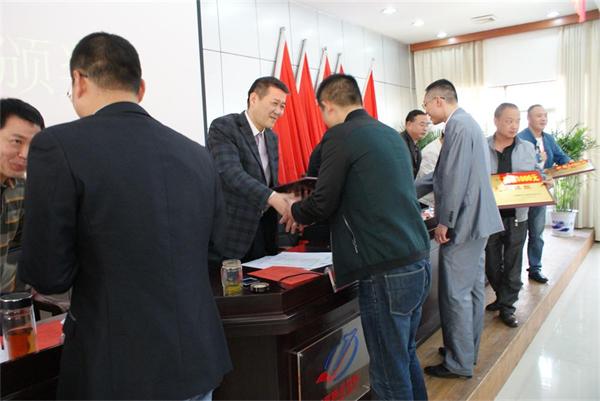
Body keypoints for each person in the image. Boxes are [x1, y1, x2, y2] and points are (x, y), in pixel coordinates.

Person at [18, 32, 231, 400]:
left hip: (116, 369)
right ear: (141, 88)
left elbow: (48, 274)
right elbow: (218, 248)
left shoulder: (58, 145)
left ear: (79, 80)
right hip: (197, 360)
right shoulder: (196, 153)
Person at [283, 74, 431, 401]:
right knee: (405, 355)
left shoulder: (341, 135)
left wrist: (293, 210)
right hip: (417, 259)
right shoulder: (390, 134)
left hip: (384, 269)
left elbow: (323, 201)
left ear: (327, 106)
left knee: (388, 372)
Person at [415, 79, 503, 379]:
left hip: (464, 222)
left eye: (426, 105)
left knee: (456, 294)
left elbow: (453, 179)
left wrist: (445, 221)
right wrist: (404, 190)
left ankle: (458, 363)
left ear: (439, 100)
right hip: (478, 221)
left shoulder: (458, 126)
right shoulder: (466, 124)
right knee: (473, 290)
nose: (426, 113)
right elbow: (440, 175)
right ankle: (466, 350)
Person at [207, 77, 294, 262]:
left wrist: (290, 200)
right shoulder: (224, 127)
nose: (279, 112)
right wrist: (273, 197)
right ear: (254, 99)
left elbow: (269, 183)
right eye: (275, 104)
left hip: (265, 232)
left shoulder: (272, 137)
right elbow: (231, 173)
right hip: (233, 234)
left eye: (283, 106)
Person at [485, 103, 540, 328]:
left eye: (517, 121)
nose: (514, 125)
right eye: (509, 120)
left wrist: (543, 181)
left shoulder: (527, 147)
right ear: (496, 120)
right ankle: (502, 296)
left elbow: (536, 174)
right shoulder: (482, 146)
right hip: (490, 215)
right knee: (491, 262)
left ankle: (507, 307)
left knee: (513, 262)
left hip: (518, 216)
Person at [517, 104, 570, 284]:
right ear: (529, 118)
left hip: (542, 192)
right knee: (518, 235)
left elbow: (562, 157)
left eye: (545, 115)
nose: (543, 118)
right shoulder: (520, 138)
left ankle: (535, 268)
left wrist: (572, 164)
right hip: (523, 193)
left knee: (537, 233)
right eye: (539, 115)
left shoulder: (548, 138)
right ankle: (513, 271)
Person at [0, 98, 44, 294]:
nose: (25, 154)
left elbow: (24, 243)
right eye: (16, 141)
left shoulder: (21, 187)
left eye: (33, 146)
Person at [416, 133, 443, 208]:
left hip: (434, 201)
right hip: (425, 201)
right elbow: (428, 179)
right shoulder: (431, 151)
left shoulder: (443, 148)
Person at [400, 109, 429, 178]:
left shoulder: (415, 145)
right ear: (409, 124)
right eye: (422, 125)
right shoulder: (400, 143)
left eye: (427, 125)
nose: (425, 128)